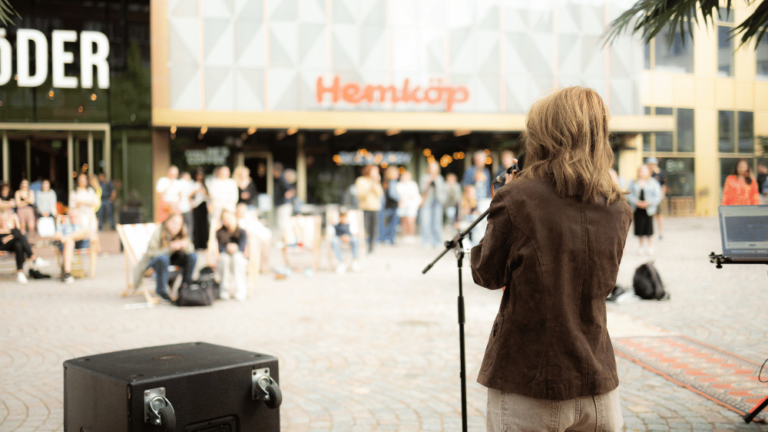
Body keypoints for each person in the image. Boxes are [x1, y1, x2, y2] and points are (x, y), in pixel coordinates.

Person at [470, 87, 630, 432]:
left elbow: (487, 273)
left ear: (545, 136)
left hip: (529, 381)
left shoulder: (519, 197)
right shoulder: (618, 206)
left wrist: (505, 199)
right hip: (598, 384)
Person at [132, 212, 196, 301]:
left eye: (179, 224)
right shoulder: (158, 232)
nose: (176, 226)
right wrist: (170, 248)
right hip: (154, 264)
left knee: (192, 257)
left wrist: (184, 245)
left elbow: (191, 250)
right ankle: (161, 290)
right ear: (167, 222)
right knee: (163, 258)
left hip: (171, 262)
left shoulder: (182, 232)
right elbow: (151, 253)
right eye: (173, 222)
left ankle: (185, 286)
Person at [0, 211, 48, 284]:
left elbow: (19, 233)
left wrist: (9, 237)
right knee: (20, 238)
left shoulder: (12, 229)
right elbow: (2, 241)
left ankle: (20, 272)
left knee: (18, 245)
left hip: (13, 247)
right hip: (3, 247)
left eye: (4, 219)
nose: (3, 221)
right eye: (1, 219)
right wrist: (11, 237)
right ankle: (34, 259)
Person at [627, 165, 663, 255]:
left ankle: (650, 247)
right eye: (641, 171)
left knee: (649, 228)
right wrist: (636, 202)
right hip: (637, 208)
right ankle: (641, 247)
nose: (642, 173)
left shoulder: (653, 182)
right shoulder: (633, 182)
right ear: (638, 172)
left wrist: (649, 202)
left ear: (648, 172)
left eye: (644, 171)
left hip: (649, 209)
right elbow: (628, 194)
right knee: (639, 228)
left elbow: (658, 195)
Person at [215, 209, 249, 301]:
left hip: (238, 255)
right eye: (224, 219)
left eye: (229, 218)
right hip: (225, 255)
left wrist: (235, 248)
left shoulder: (242, 232)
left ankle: (241, 288)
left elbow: (242, 248)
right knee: (224, 259)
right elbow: (220, 249)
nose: (227, 221)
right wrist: (228, 248)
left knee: (237, 258)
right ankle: (224, 288)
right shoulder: (219, 232)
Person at [52, 209, 91, 284]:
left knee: (73, 238)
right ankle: (67, 273)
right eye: (71, 217)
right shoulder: (64, 224)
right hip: (67, 245)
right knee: (69, 242)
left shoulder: (82, 224)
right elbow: (56, 235)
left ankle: (67, 273)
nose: (73, 218)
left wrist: (66, 238)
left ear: (79, 216)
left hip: (81, 243)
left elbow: (86, 233)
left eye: (75, 216)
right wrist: (62, 237)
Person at [355, 165, 384, 253]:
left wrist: (375, 183)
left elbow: (380, 194)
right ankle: (361, 245)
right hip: (364, 208)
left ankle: (371, 246)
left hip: (375, 208)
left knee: (373, 228)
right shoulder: (361, 180)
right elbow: (360, 194)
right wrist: (370, 186)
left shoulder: (376, 182)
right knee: (364, 228)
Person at [236, 203, 271, 273]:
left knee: (265, 243)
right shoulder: (238, 221)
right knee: (255, 244)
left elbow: (257, 224)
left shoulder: (249, 216)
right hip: (250, 238)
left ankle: (264, 266)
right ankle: (255, 266)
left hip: (260, 234)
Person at [419, 161, 447, 248]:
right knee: (425, 222)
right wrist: (428, 183)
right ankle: (426, 241)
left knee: (437, 223)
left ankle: (437, 241)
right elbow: (422, 190)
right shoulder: (424, 178)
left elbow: (442, 191)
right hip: (427, 202)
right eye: (431, 167)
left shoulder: (440, 178)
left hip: (437, 202)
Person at [69, 173, 99, 240]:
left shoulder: (90, 191)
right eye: (81, 180)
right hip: (79, 216)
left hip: (89, 215)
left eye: (84, 180)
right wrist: (78, 204)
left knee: (92, 232)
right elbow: (71, 206)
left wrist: (85, 202)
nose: (82, 182)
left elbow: (95, 202)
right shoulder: (74, 192)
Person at [330, 208, 361, 274]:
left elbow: (356, 233)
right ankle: (341, 262)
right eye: (341, 216)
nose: (342, 217)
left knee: (356, 240)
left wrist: (348, 237)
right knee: (334, 241)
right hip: (339, 238)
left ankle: (355, 261)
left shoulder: (351, 224)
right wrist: (341, 237)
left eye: (344, 216)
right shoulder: (336, 225)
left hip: (350, 238)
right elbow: (332, 233)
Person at [396, 171, 421, 244]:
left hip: (411, 205)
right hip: (402, 205)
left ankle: (411, 235)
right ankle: (405, 235)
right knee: (404, 221)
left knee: (411, 220)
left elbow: (415, 194)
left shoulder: (413, 184)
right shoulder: (399, 185)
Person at [646, 157, 667, 240]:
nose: (652, 166)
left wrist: (662, 196)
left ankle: (660, 232)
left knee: (659, 215)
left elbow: (663, 185)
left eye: (654, 164)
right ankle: (650, 232)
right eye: (651, 164)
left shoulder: (660, 173)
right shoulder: (646, 173)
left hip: (658, 197)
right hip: (648, 198)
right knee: (650, 215)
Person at [378, 166, 400, 245]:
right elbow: (393, 194)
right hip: (392, 205)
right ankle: (389, 239)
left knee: (386, 223)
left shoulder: (385, 181)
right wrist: (400, 198)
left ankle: (385, 238)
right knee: (392, 224)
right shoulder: (392, 182)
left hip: (387, 205)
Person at [191, 168, 210, 249]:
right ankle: (197, 244)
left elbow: (209, 196)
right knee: (196, 226)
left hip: (203, 206)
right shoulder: (192, 184)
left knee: (204, 226)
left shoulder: (205, 184)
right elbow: (189, 196)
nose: (200, 176)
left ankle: (204, 244)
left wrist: (204, 192)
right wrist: (196, 191)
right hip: (196, 206)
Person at [273, 163, 295, 231]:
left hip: (284, 205)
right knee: (284, 224)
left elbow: (290, 190)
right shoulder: (280, 179)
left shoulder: (282, 179)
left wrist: (289, 193)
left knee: (283, 224)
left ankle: (286, 240)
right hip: (283, 204)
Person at [176, 171, 197, 238]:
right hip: (185, 208)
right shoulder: (186, 183)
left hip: (179, 208)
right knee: (188, 225)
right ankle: (188, 239)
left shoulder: (177, 183)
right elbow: (189, 196)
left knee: (179, 224)